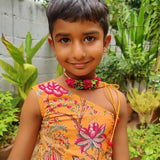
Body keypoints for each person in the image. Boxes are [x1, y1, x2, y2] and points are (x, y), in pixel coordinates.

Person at [8, 0, 130, 159]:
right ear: (53, 46)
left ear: (105, 43)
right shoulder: (40, 97)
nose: (78, 53)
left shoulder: (116, 100)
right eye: (65, 40)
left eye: (89, 38)